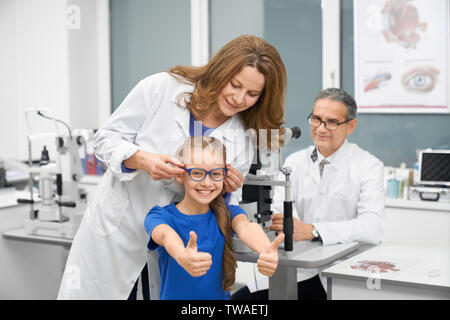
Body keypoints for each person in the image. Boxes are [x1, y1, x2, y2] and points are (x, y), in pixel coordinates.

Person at [57, 35, 287, 299]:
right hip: (117, 232)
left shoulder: (242, 139)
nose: (238, 98)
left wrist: (225, 191)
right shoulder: (163, 88)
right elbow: (104, 139)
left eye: (252, 94)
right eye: (234, 85)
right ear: (220, 71)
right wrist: (142, 160)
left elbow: (223, 209)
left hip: (176, 248)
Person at [231, 88, 385, 300]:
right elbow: (276, 207)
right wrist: (275, 223)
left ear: (351, 125)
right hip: (298, 265)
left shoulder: (368, 166)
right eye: (316, 119)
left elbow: (372, 227)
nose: (321, 128)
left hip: (339, 272)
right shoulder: (295, 161)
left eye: (332, 122)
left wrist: (313, 230)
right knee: (238, 301)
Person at [145, 136, 284, 299]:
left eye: (216, 173)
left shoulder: (229, 213)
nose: (207, 182)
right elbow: (166, 235)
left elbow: (246, 227)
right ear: (180, 175)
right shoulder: (160, 216)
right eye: (197, 173)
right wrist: (182, 255)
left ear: (225, 174)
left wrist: (265, 250)